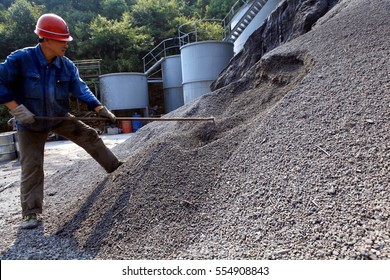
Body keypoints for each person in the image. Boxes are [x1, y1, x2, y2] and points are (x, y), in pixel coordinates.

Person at [0, 13, 123, 230]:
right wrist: (16, 109)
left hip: (58, 117)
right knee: (32, 165)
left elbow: (80, 88)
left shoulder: (65, 66)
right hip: (29, 122)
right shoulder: (20, 60)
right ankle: (30, 213)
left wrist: (99, 107)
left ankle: (116, 168)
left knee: (89, 136)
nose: (66, 44)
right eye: (62, 40)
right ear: (46, 39)